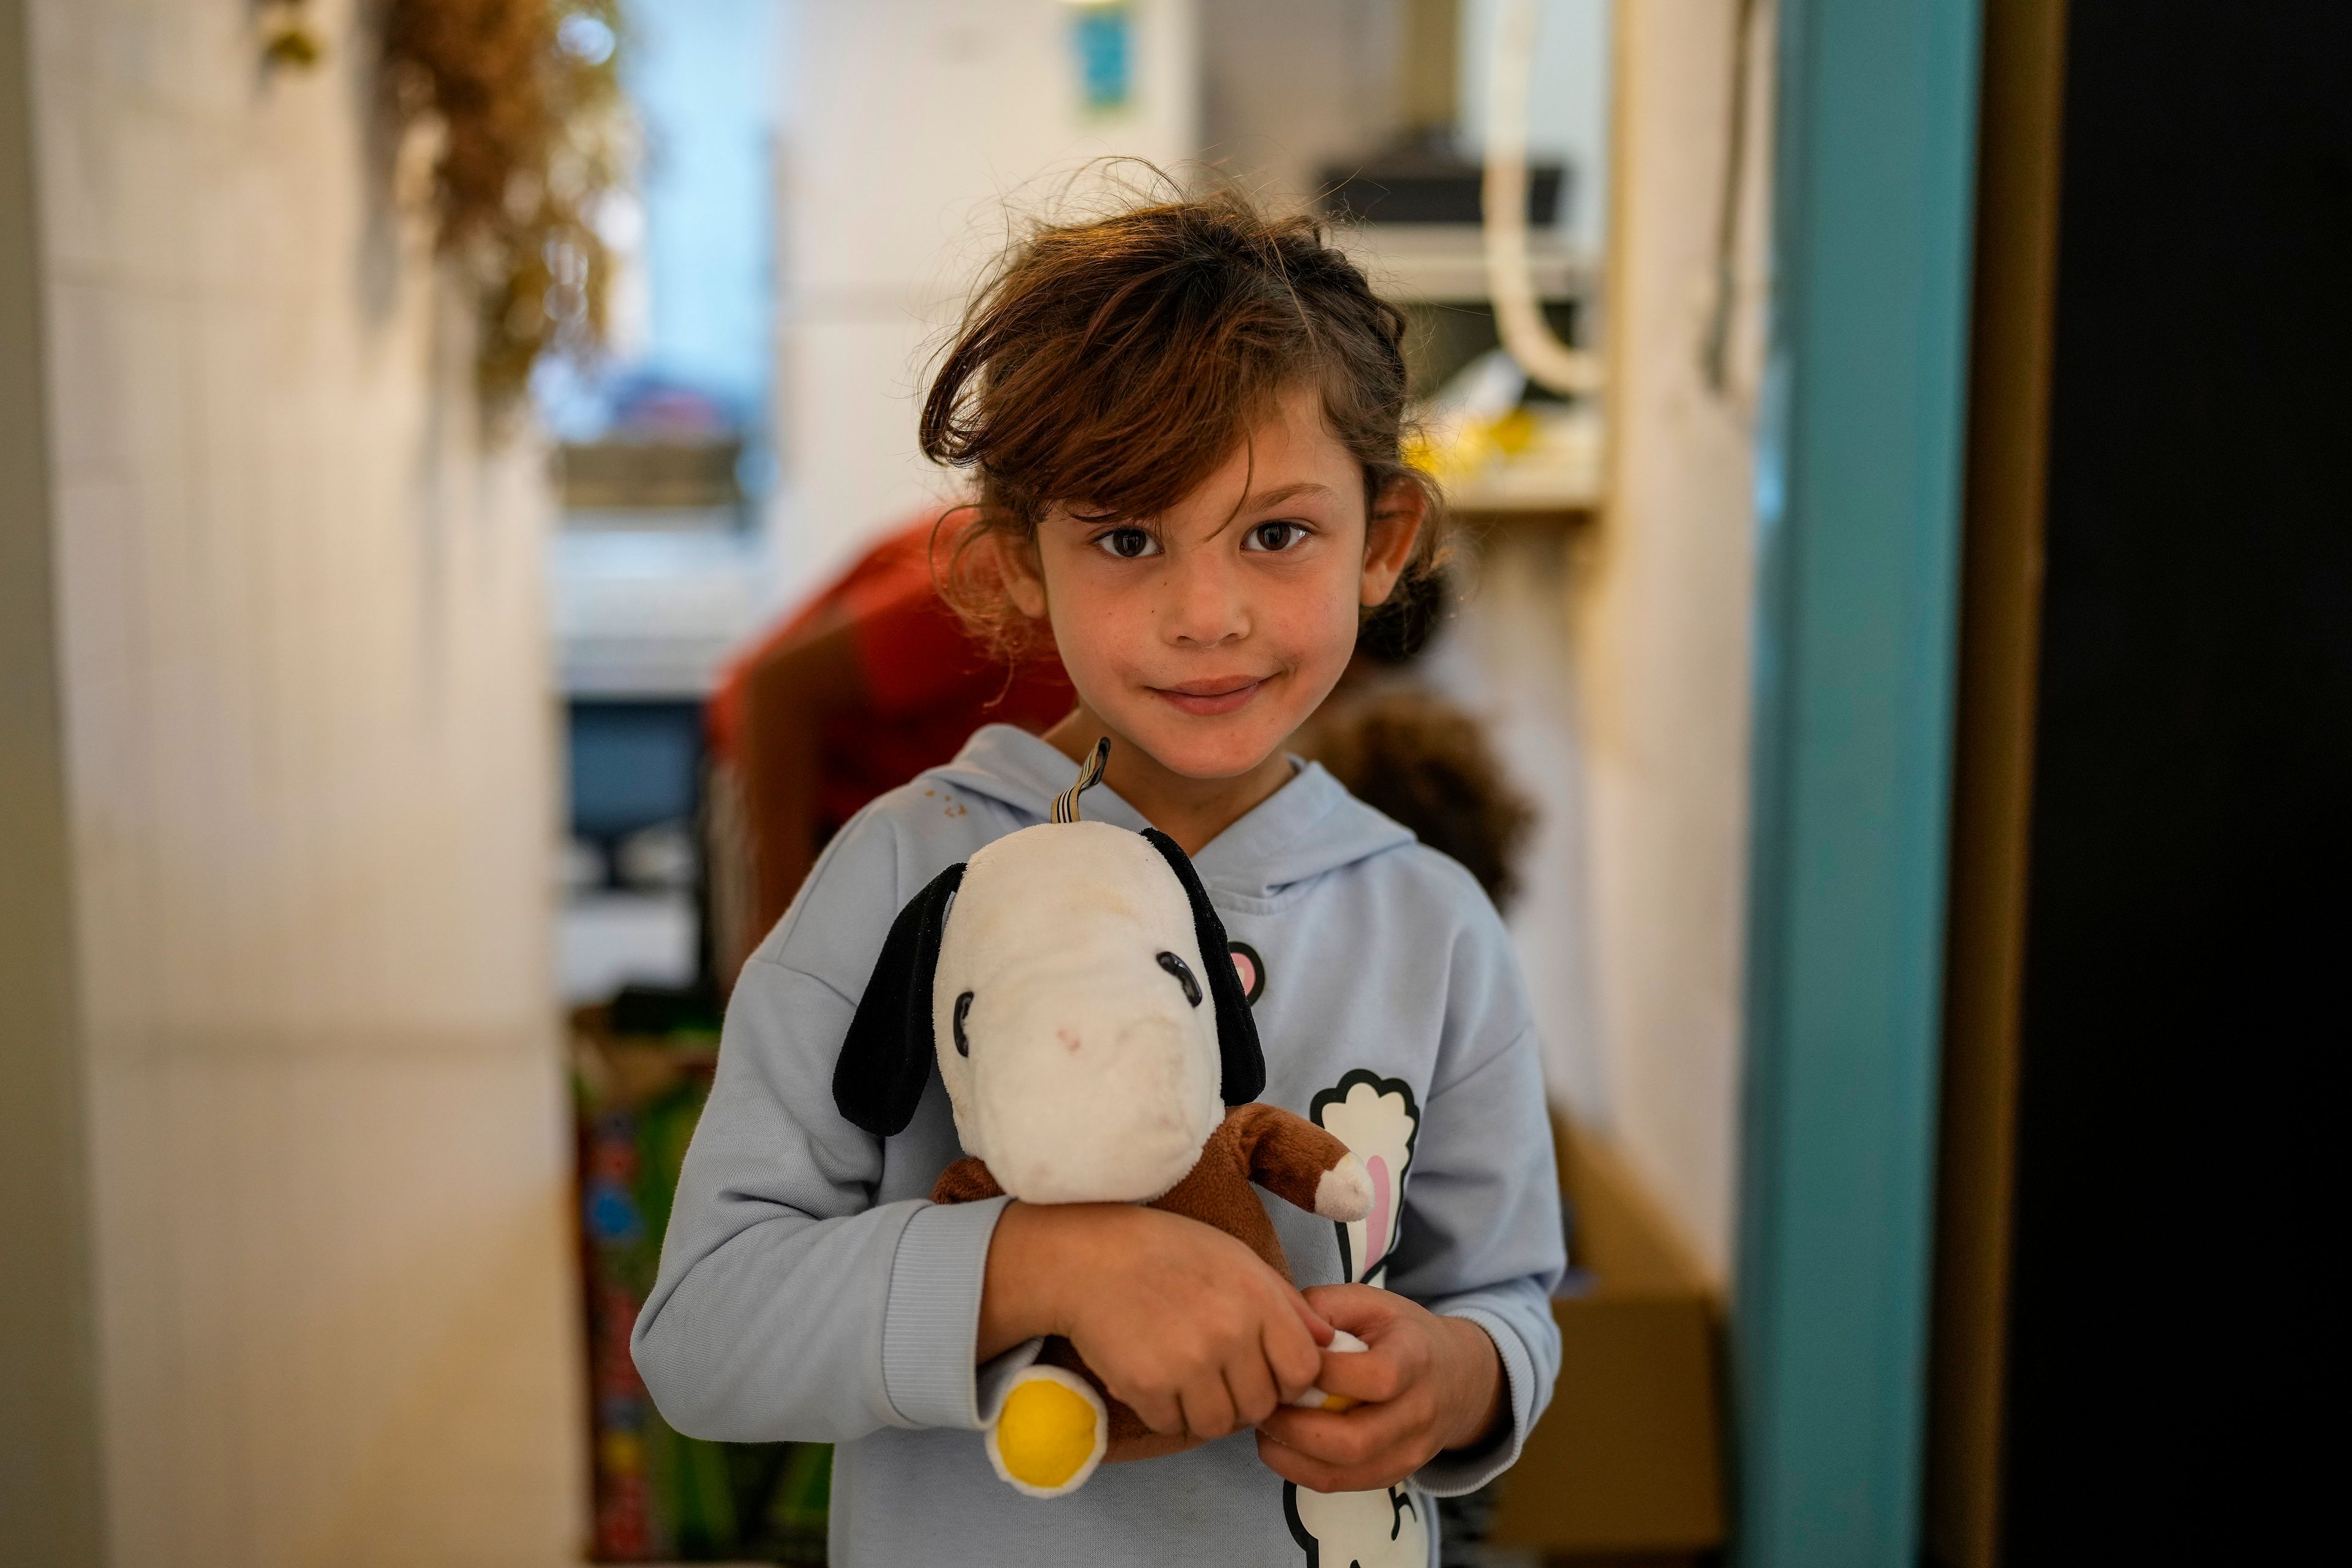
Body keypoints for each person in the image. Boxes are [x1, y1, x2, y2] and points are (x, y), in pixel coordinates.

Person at [633, 187, 1564, 1566]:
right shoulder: (899, 872)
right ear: (1017, 565)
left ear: (1382, 542)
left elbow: (1507, 1294)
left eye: (1276, 533)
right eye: (1128, 539)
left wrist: (1457, 1375)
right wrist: (1037, 1264)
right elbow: (704, 1331)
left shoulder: (1430, 921)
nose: (1208, 613)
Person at [702, 514, 1073, 980]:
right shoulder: (997, 590)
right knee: (792, 993)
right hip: (786, 759)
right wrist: (779, 926)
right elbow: (777, 690)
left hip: (911, 791)